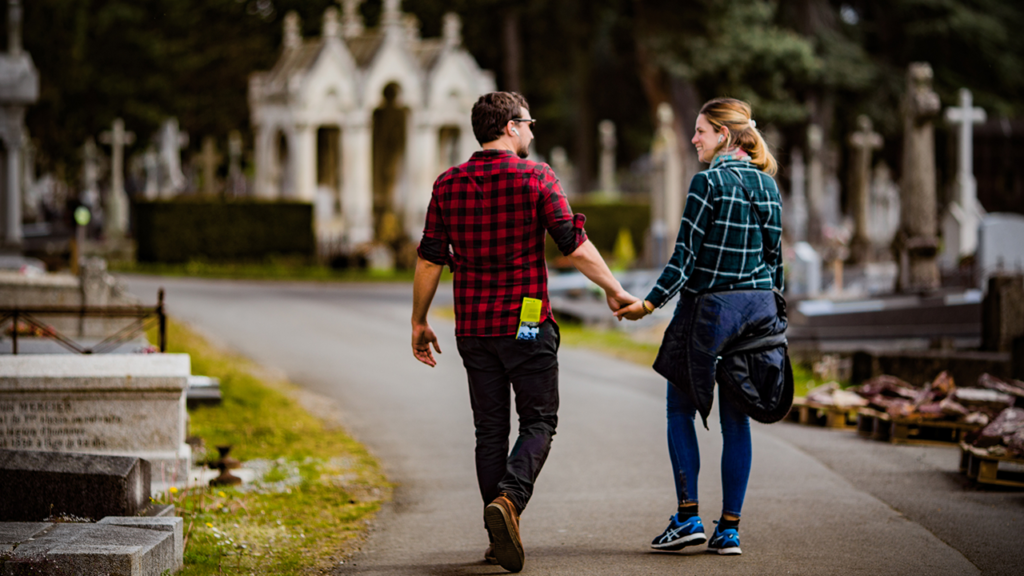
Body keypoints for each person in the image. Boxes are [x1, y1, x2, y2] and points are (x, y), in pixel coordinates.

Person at [412, 91, 635, 573]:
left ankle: (497, 537)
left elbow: (431, 256)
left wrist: (419, 320)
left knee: (489, 430)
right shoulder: (536, 176)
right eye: (528, 123)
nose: (532, 132)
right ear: (511, 126)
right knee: (539, 421)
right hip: (527, 319)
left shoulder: (447, 184)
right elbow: (573, 245)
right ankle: (510, 503)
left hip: (472, 325)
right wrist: (614, 290)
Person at [616, 97, 790, 556]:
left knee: (679, 409)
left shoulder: (706, 182)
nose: (694, 139)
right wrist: (778, 319)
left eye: (701, 131)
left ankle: (689, 516)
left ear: (724, 135)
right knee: (738, 422)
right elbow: (775, 261)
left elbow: (686, 256)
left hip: (708, 312)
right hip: (756, 314)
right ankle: (729, 529)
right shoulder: (768, 186)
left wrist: (649, 303)